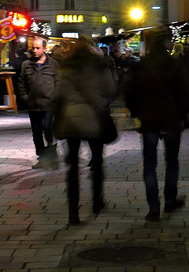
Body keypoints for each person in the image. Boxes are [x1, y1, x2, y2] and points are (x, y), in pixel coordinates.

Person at [125, 30, 189, 221]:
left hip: (149, 121)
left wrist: (138, 113)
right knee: (171, 162)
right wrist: (182, 114)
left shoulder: (142, 66)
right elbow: (186, 93)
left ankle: (153, 207)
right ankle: (170, 200)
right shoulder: (174, 65)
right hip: (171, 120)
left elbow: (129, 91)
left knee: (149, 165)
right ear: (166, 42)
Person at [53, 35, 115, 225]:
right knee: (97, 161)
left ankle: (73, 213)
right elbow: (111, 89)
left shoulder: (67, 65)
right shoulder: (99, 65)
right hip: (93, 117)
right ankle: (97, 201)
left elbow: (60, 94)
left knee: (72, 167)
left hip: (71, 119)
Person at [17, 37, 59, 169]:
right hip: (33, 104)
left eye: (38, 48)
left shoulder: (53, 64)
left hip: (49, 104)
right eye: (33, 48)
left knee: (48, 128)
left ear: (44, 49)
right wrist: (25, 97)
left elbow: (59, 83)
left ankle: (51, 157)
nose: (34, 50)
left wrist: (54, 97)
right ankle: (42, 158)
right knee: (36, 132)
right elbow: (21, 83)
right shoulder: (26, 65)